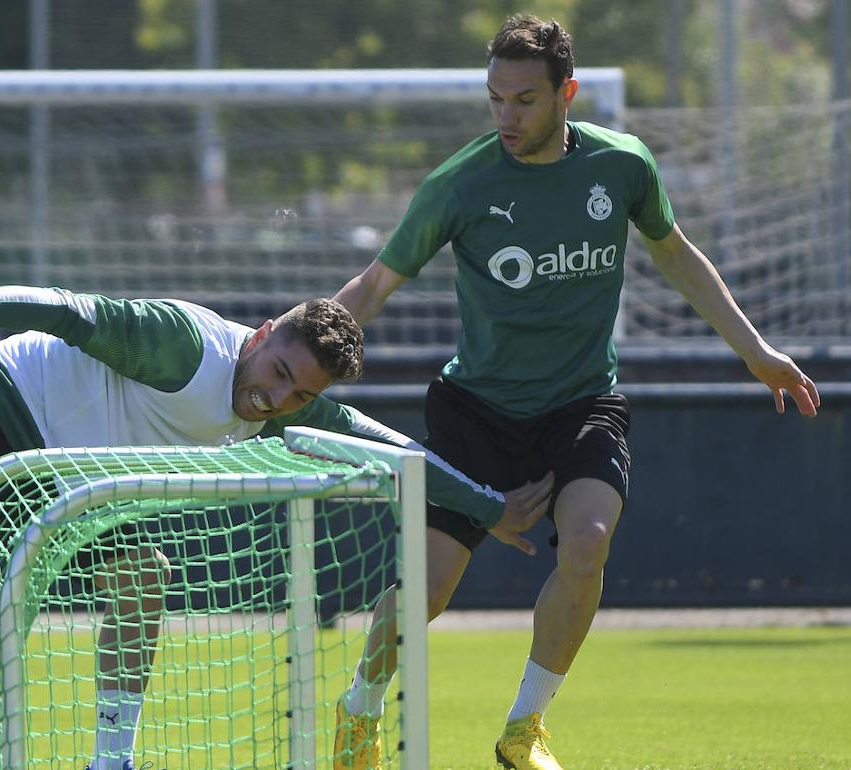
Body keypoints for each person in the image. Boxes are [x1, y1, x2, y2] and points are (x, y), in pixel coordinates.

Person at [0, 285, 553, 770]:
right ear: (259, 338)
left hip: (62, 472)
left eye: (297, 394)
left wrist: (488, 512)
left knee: (142, 575)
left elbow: (392, 447)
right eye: (276, 372)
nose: (275, 398)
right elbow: (58, 307)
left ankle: (110, 761)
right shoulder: (180, 345)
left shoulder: (285, 407)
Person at [329, 13, 822, 770]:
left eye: (524, 99)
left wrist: (754, 352)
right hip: (476, 413)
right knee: (425, 589)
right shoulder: (460, 183)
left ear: (568, 93)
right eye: (495, 98)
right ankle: (359, 708)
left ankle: (523, 730)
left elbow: (677, 254)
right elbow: (375, 284)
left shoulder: (621, 165)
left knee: (588, 545)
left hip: (581, 404)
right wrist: (299, 356)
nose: (505, 116)